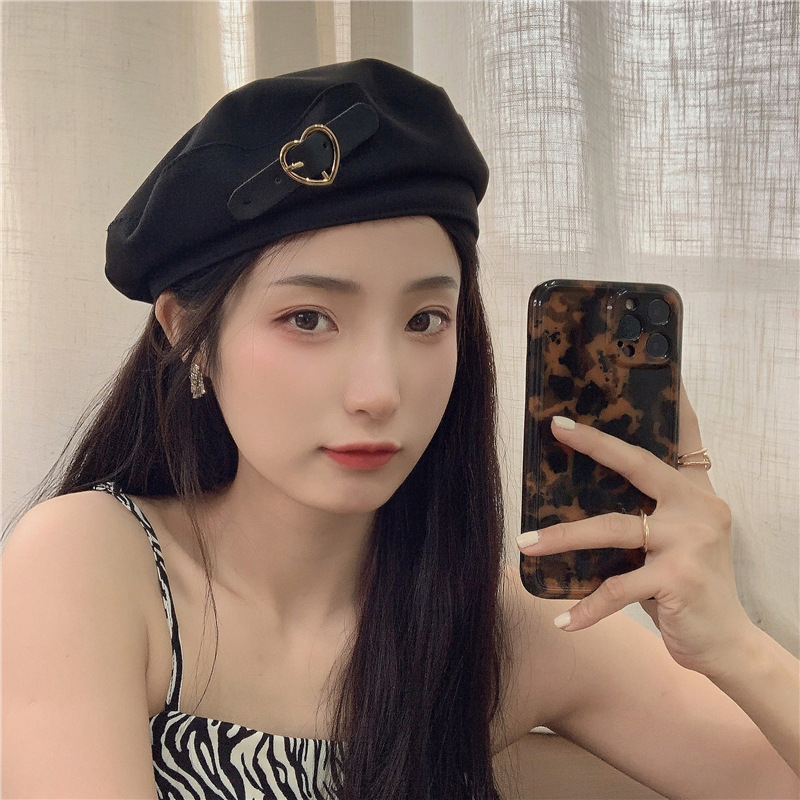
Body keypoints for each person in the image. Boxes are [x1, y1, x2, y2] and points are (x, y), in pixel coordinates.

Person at [2, 59, 798, 800]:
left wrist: (731, 642)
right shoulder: (94, 564)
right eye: (308, 318)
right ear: (187, 333)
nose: (379, 392)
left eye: (424, 319)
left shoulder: (493, 625)